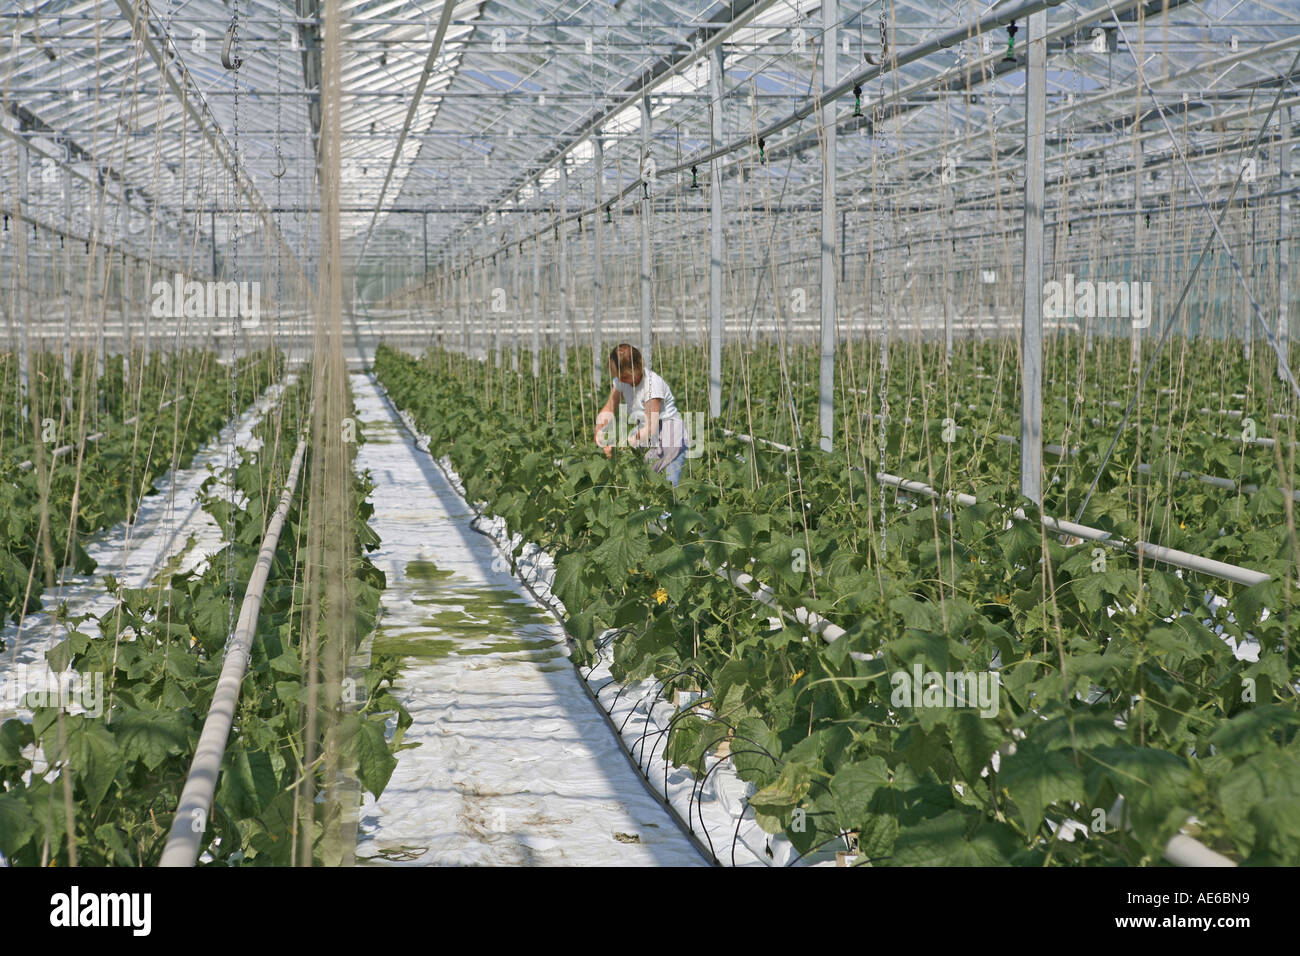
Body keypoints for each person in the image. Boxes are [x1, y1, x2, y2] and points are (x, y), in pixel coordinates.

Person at [593, 343, 687, 486]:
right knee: (644, 483)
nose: (621, 380)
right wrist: (600, 426)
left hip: (669, 435)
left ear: (637, 367)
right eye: (618, 376)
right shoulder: (621, 380)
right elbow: (610, 406)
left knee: (668, 488)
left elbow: (651, 428)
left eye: (624, 376)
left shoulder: (652, 385)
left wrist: (622, 445)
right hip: (645, 434)